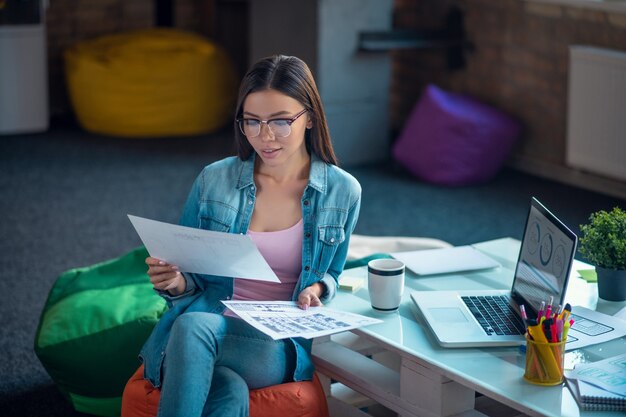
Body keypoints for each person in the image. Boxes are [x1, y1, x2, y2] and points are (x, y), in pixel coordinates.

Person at [140, 55, 362, 417]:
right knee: (225, 388)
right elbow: (189, 272)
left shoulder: (343, 191)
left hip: (271, 344)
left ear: (310, 118)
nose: (265, 136)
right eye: (252, 122)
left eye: (280, 121)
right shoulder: (214, 179)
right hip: (206, 324)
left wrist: (318, 289)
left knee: (193, 329)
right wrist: (176, 282)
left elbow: (332, 274)